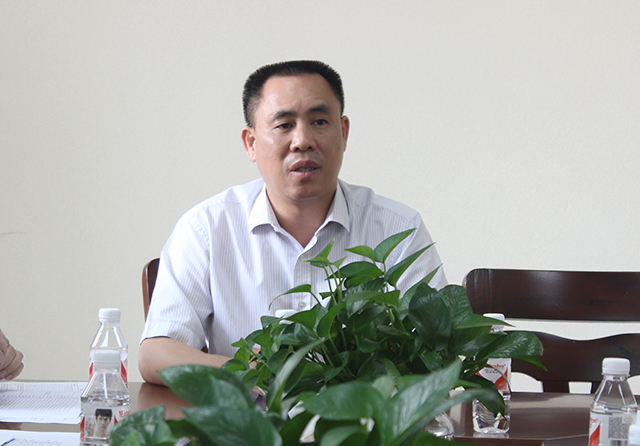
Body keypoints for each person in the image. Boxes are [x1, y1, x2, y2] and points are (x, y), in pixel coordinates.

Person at [139, 60, 447, 385]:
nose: (303, 140)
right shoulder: (206, 228)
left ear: (343, 133)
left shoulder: (398, 229)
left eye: (319, 121)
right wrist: (250, 373)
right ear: (251, 143)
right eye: (284, 125)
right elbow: (156, 354)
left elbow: (439, 347)